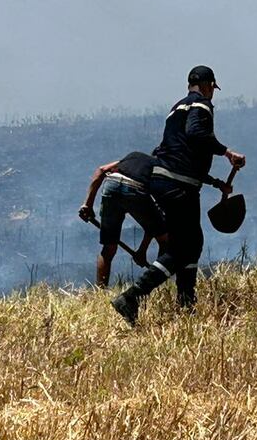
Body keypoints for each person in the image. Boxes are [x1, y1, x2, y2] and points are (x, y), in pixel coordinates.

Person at [110, 65, 245, 325]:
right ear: (208, 85)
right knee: (185, 247)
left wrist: (216, 183)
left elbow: (177, 154)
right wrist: (227, 152)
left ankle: (186, 303)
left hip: (165, 181)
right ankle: (133, 296)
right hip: (179, 186)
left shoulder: (176, 109)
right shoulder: (202, 105)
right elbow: (196, 135)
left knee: (190, 243)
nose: (212, 93)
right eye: (212, 88)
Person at [78, 150, 169, 287]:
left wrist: (87, 205)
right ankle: (158, 285)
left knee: (109, 247)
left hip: (111, 184)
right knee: (164, 240)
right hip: (136, 188)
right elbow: (154, 222)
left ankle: (100, 290)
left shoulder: (132, 157)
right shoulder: (160, 169)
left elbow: (101, 170)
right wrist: (142, 250)